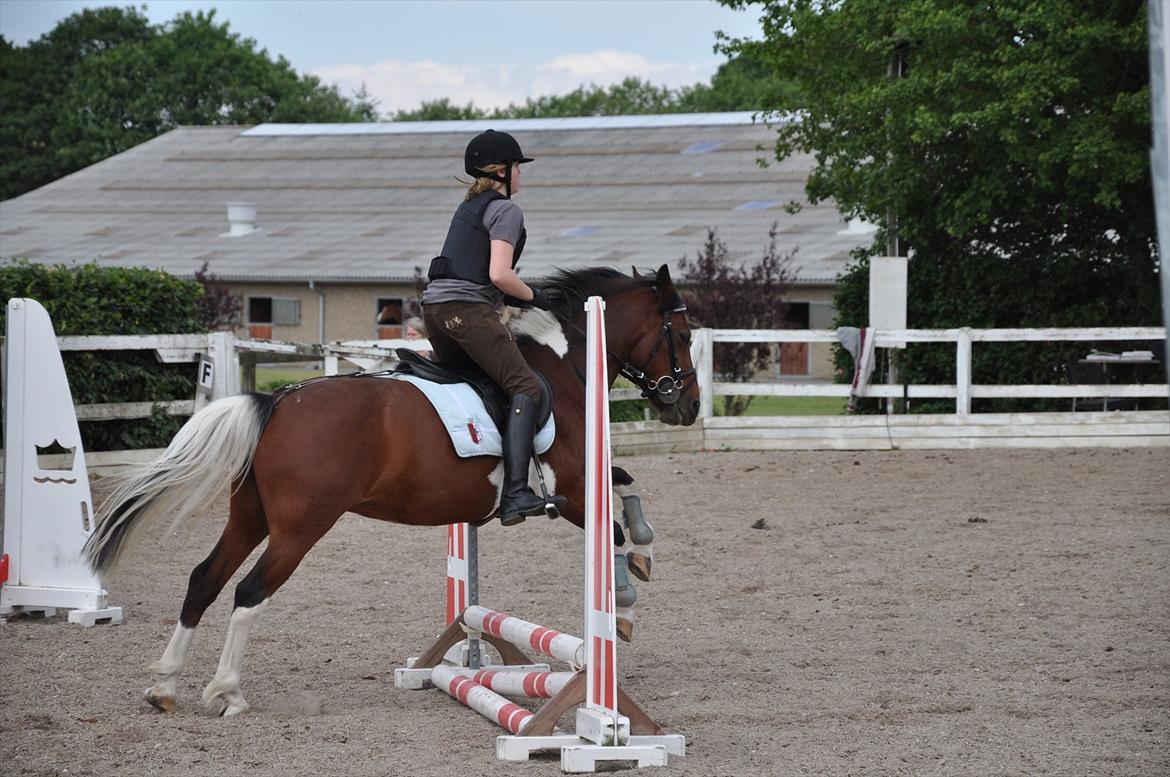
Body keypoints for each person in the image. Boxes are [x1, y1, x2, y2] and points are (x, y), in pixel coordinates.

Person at [421, 129, 559, 526]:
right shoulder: (505, 209)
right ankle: (515, 493)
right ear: (503, 170)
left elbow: (480, 273)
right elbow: (500, 275)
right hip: (467, 312)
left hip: (436, 312)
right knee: (525, 386)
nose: (521, 176)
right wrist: (536, 296)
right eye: (519, 168)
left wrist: (517, 295)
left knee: (478, 380)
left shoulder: (468, 207)